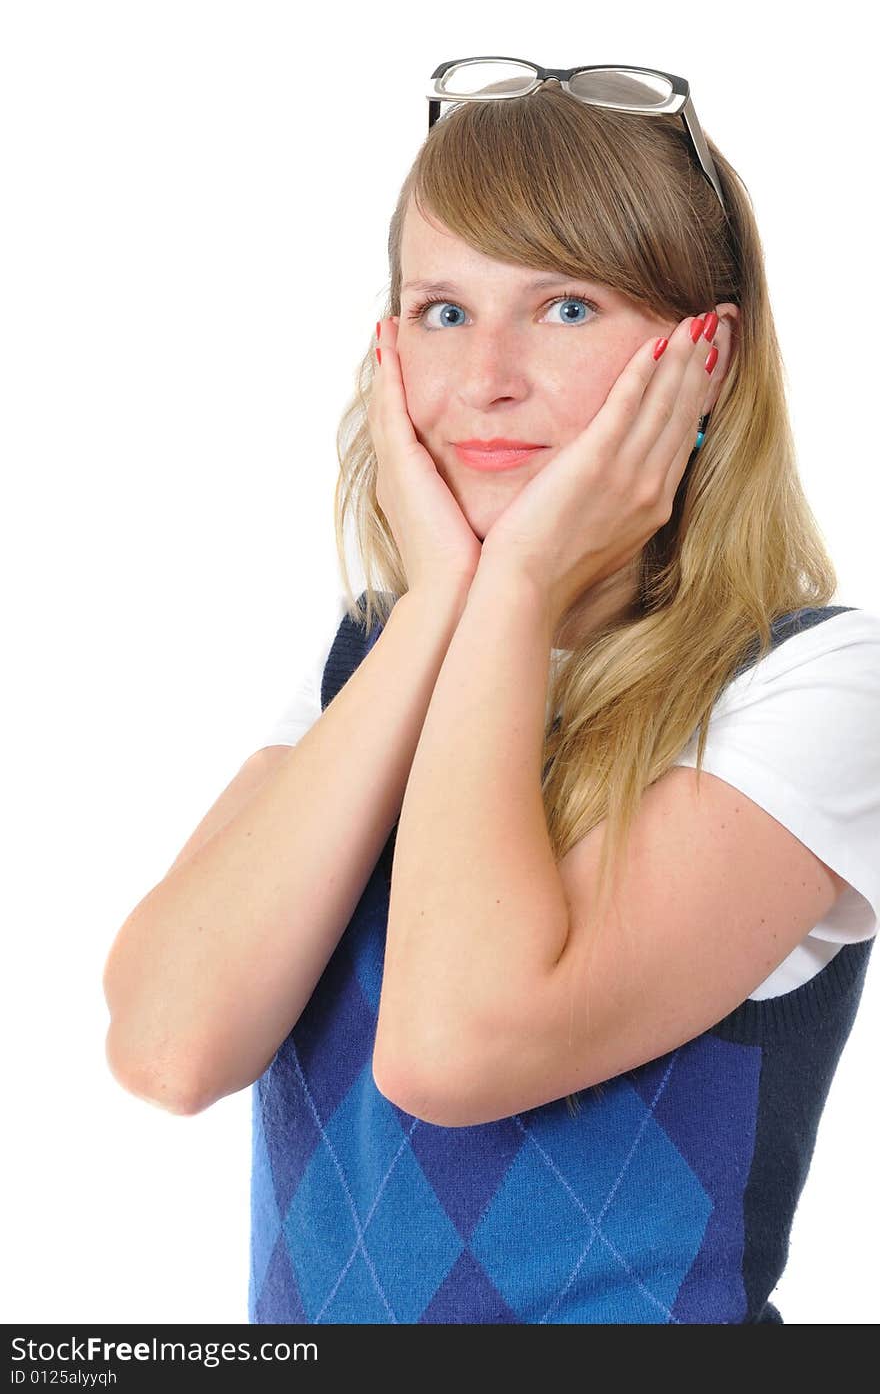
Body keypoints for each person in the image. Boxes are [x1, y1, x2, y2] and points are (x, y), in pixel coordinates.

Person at [102, 64, 879, 1325]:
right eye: (443, 311)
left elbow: (455, 1047)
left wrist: (511, 589)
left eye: (565, 308)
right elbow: (169, 1046)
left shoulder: (814, 688)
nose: (486, 379)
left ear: (706, 359)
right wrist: (437, 614)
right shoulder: (365, 659)